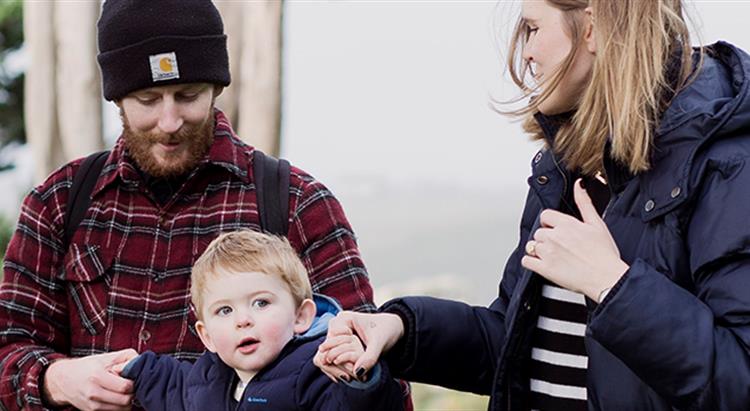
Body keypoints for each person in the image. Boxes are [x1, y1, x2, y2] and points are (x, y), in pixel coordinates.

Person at [316, 0, 750, 410]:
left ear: (593, 27)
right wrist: (400, 330)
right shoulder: (566, 168)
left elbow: (740, 380)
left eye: (533, 28)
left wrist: (613, 285)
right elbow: (517, 346)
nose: (526, 54)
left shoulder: (730, 163)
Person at [0, 1, 377, 410]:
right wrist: (55, 380)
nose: (169, 121)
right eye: (147, 99)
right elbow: (8, 349)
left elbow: (371, 363)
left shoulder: (299, 205)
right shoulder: (58, 203)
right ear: (117, 98)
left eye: (188, 95)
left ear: (215, 88)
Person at [115, 230, 403, 411]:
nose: (243, 320)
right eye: (224, 311)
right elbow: (174, 390)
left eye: (261, 303)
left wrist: (359, 382)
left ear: (301, 316)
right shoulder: (208, 378)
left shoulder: (316, 371)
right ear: (207, 337)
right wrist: (136, 370)